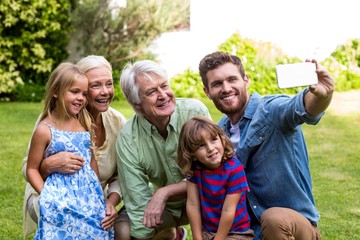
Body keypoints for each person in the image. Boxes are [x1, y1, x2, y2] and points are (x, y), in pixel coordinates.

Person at [198, 51, 335, 240]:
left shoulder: (270, 110)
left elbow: (302, 108)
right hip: (250, 232)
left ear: (245, 80)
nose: (226, 88)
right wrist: (163, 193)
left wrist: (322, 96)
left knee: (273, 218)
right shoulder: (219, 133)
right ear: (207, 91)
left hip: (293, 229)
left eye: (232, 79)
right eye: (217, 84)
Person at [22, 55, 129, 239]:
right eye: (95, 86)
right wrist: (48, 168)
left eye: (109, 84)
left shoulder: (107, 121)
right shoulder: (47, 127)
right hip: (54, 195)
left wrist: (104, 200)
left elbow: (108, 167)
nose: (104, 91)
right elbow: (29, 167)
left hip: (88, 196)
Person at [115, 59, 211, 239]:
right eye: (151, 92)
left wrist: (165, 192)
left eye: (164, 86)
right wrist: (146, 233)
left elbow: (215, 172)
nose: (163, 95)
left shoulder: (194, 113)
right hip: (164, 208)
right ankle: (171, 234)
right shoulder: (128, 138)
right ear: (137, 104)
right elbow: (138, 202)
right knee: (125, 231)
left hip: (205, 198)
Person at [177, 115, 254, 240]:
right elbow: (192, 204)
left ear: (222, 139)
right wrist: (197, 237)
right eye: (201, 146)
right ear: (192, 154)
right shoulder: (195, 170)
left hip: (236, 233)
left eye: (213, 139)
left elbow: (228, 210)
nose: (210, 148)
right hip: (207, 231)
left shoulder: (234, 169)